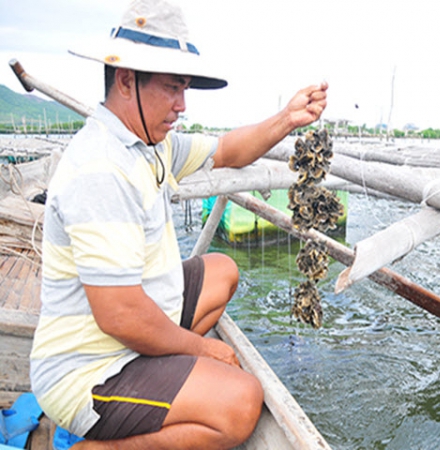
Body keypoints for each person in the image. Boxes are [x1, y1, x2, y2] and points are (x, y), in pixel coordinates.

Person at [29, 0, 328, 449]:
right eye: (172, 88)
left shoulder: (148, 143)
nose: (182, 105)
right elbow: (119, 315)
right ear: (126, 80)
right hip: (88, 367)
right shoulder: (101, 170)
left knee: (222, 269)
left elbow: (227, 150)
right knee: (242, 401)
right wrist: (204, 350)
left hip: (132, 322)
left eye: (184, 89)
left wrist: (288, 118)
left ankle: (169, 382)